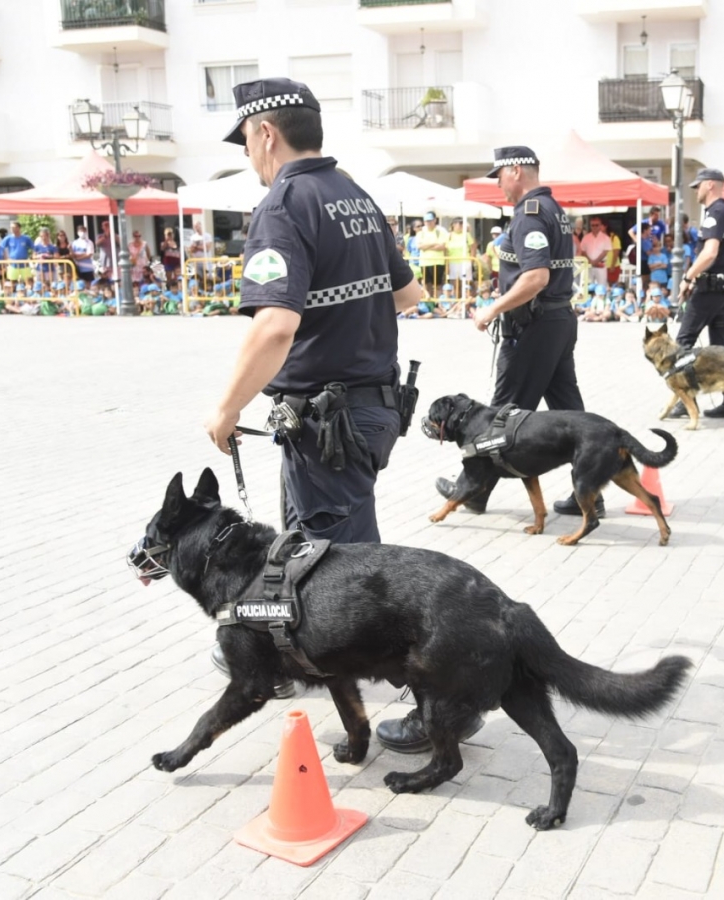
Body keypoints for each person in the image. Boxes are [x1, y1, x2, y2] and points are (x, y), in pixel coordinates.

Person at [205, 76, 436, 748]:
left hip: (328, 422)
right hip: (364, 410)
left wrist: (226, 408)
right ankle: (281, 659)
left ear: (265, 134)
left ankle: (443, 700)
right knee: (311, 558)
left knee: (358, 576)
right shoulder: (354, 195)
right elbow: (409, 294)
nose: (249, 156)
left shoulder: (283, 205)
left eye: (247, 141)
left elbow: (275, 325)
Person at [447, 145, 589, 520]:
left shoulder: (529, 213)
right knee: (572, 415)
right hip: (556, 322)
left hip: (533, 327)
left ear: (515, 171)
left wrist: (492, 308)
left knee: (501, 414)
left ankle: (472, 491)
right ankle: (588, 492)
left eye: (499, 177)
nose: (499, 185)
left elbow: (536, 276)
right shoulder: (552, 209)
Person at [667, 168, 724, 419]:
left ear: (710, 185)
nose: (696, 191)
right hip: (723, 289)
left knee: (682, 344)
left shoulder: (715, 213)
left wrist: (688, 277)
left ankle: (686, 401)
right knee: (722, 348)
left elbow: (710, 252)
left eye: (698, 186)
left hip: (709, 290)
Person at [417, 212, 448, 294]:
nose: (428, 223)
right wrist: (434, 243)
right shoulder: (421, 232)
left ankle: (438, 302)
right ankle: (429, 303)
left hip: (438, 262)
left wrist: (426, 246)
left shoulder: (441, 231)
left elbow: (442, 246)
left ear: (435, 220)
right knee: (427, 284)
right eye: (426, 221)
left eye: (430, 221)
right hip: (424, 262)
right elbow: (420, 246)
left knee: (438, 284)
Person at [2, 221, 35, 295]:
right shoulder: (8, 238)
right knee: (12, 282)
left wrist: (32, 257)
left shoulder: (26, 238)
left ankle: (29, 297)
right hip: (13, 264)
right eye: (11, 228)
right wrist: (6, 258)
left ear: (19, 228)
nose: (12, 229)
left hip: (24, 264)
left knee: (28, 282)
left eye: (14, 227)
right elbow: (1, 248)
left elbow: (34, 248)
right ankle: (13, 298)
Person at [579, 217, 612, 290]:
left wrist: (595, 261)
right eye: (592, 225)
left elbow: (605, 252)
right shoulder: (586, 237)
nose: (594, 227)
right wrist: (591, 261)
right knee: (588, 287)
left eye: (597, 225)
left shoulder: (606, 238)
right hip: (588, 265)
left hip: (601, 265)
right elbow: (583, 250)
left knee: (602, 286)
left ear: (600, 225)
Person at [446, 217, 475, 288]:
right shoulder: (449, 235)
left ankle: (466, 297)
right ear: (453, 225)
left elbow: (473, 248)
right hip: (453, 262)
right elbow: (446, 250)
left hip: (465, 261)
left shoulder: (466, 234)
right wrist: (447, 264)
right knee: (454, 283)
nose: (460, 225)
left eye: (461, 223)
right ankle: (455, 298)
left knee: (466, 283)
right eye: (459, 223)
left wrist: (471, 261)